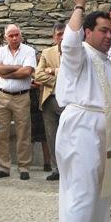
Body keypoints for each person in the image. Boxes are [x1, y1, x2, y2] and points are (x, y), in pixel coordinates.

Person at [55, 0, 111, 222]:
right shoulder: (79, 54)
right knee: (82, 189)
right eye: (103, 30)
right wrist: (79, 5)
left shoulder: (108, 63)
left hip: (104, 129)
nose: (109, 35)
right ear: (87, 32)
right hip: (81, 126)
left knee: (101, 190)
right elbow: (69, 43)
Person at [0, 24, 36, 180]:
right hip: (2, 95)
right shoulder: (0, 51)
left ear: (21, 35)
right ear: (5, 37)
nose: (14, 38)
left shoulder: (29, 51)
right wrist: (16, 67)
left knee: (23, 133)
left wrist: (7, 72)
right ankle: (3, 167)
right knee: (0, 132)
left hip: (22, 96)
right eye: (11, 35)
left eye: (17, 34)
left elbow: (27, 72)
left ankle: (24, 167)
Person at [34, 22, 65, 181]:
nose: (62, 37)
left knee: (68, 137)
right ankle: (56, 169)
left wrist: (54, 72)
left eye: (64, 34)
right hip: (49, 100)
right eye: (59, 34)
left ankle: (69, 169)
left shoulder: (75, 53)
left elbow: (74, 75)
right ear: (54, 37)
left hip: (68, 102)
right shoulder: (46, 52)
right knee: (52, 136)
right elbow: (38, 75)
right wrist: (60, 80)